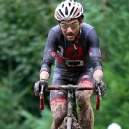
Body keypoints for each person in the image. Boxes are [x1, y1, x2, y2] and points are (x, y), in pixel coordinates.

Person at [34, 0, 106, 128]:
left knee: (83, 96)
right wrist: (43, 80)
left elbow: (96, 63)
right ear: (59, 24)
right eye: (64, 25)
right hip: (62, 74)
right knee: (59, 115)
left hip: (85, 72)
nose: (69, 30)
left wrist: (98, 80)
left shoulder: (89, 33)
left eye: (73, 25)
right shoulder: (54, 34)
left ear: (81, 21)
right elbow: (47, 62)